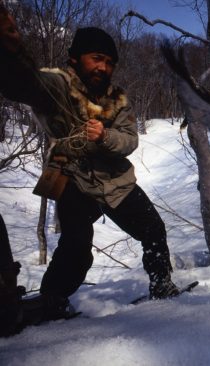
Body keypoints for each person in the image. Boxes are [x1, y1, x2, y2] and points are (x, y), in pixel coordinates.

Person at [0, 4, 182, 322]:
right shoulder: (59, 86)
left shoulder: (118, 99)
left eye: (109, 62)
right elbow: (24, 84)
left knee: (153, 229)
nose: (103, 67)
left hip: (114, 181)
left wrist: (104, 137)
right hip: (74, 180)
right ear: (75, 58)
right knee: (76, 248)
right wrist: (12, 49)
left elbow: (129, 140)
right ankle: (53, 300)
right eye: (96, 58)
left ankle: (163, 287)